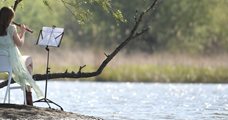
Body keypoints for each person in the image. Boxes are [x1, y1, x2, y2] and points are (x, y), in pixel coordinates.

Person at [0, 6, 43, 105]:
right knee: (29, 61)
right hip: (12, 61)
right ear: (9, 18)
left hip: (2, 62)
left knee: (26, 68)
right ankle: (28, 94)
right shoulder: (11, 28)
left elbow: (11, 42)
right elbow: (19, 44)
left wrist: (18, 33)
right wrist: (23, 32)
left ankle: (27, 95)